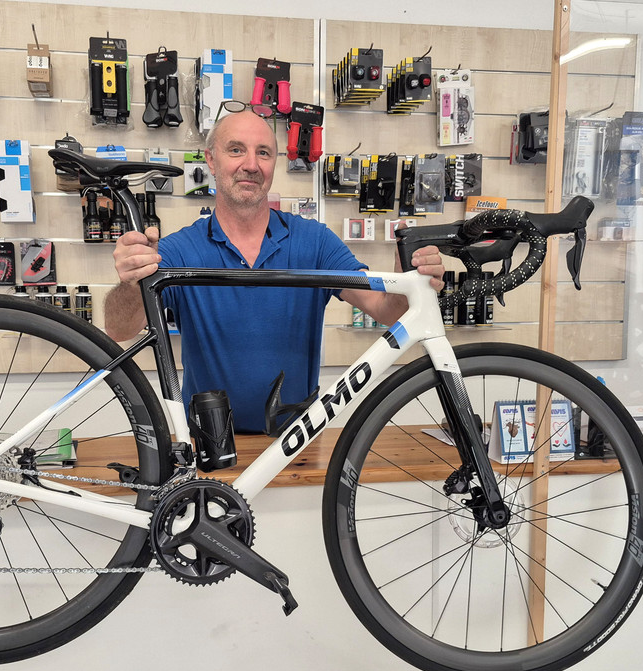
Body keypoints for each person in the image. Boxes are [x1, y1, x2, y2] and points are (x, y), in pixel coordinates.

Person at [106, 109, 444, 432]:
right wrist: (132, 282)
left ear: (274, 163)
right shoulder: (180, 250)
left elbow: (387, 311)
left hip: (294, 443)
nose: (251, 165)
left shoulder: (315, 242)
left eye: (263, 153)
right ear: (210, 160)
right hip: (207, 442)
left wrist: (409, 280)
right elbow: (119, 329)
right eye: (236, 150)